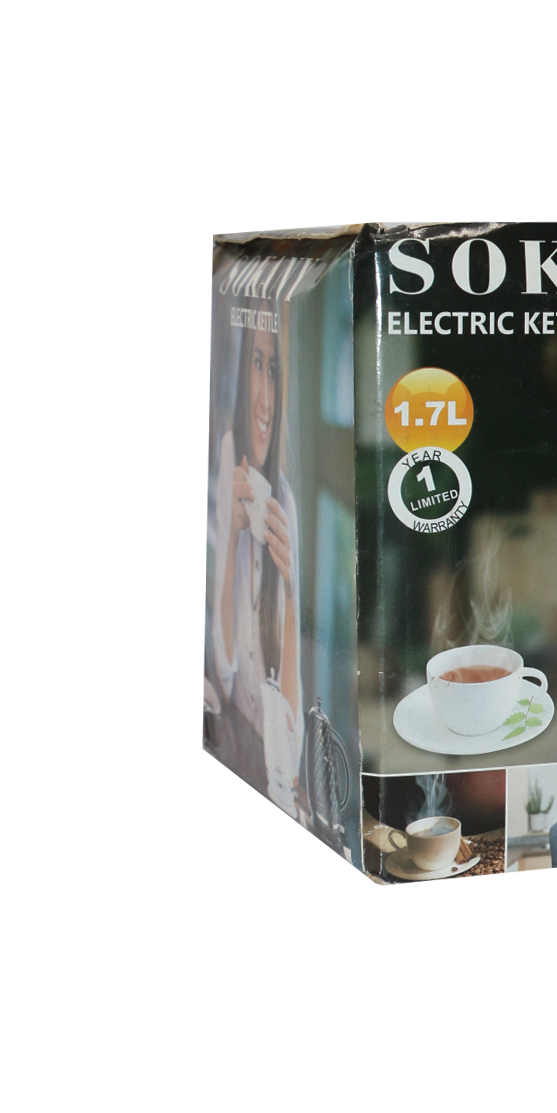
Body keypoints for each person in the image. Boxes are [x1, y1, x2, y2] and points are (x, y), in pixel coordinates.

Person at [211, 321, 304, 819]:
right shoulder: (227, 453)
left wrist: (289, 594)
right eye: (256, 364)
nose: (265, 401)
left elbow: (291, 744)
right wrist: (231, 536)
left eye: (274, 371)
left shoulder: (284, 500)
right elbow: (222, 672)